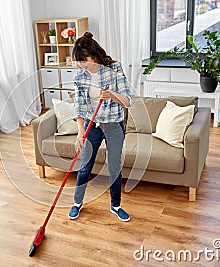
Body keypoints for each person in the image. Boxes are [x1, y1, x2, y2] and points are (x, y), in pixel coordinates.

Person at [68, 32, 132, 222]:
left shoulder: (115, 68)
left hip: (113, 125)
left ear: (93, 55)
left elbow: (128, 101)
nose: (81, 65)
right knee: (85, 166)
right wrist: (81, 133)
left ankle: (115, 206)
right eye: (78, 61)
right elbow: (78, 106)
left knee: (114, 167)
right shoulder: (80, 75)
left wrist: (111, 94)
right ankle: (77, 203)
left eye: (83, 60)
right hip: (91, 125)